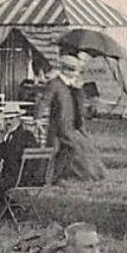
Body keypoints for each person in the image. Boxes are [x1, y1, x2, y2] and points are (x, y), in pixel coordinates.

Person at [35, 52, 106, 183]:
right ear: (66, 70)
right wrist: (37, 118)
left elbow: (79, 105)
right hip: (58, 126)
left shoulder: (73, 86)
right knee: (56, 151)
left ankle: (57, 177)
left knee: (68, 151)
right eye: (74, 70)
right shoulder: (54, 84)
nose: (76, 73)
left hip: (72, 124)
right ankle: (47, 179)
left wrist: (78, 89)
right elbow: (44, 100)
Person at [0, 111, 40, 219]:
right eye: (6, 119)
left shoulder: (25, 135)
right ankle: (14, 209)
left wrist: (0, 144)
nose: (8, 122)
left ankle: (8, 213)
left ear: (18, 118)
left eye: (11, 118)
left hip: (22, 177)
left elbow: (8, 155)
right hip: (16, 175)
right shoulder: (10, 135)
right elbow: (1, 154)